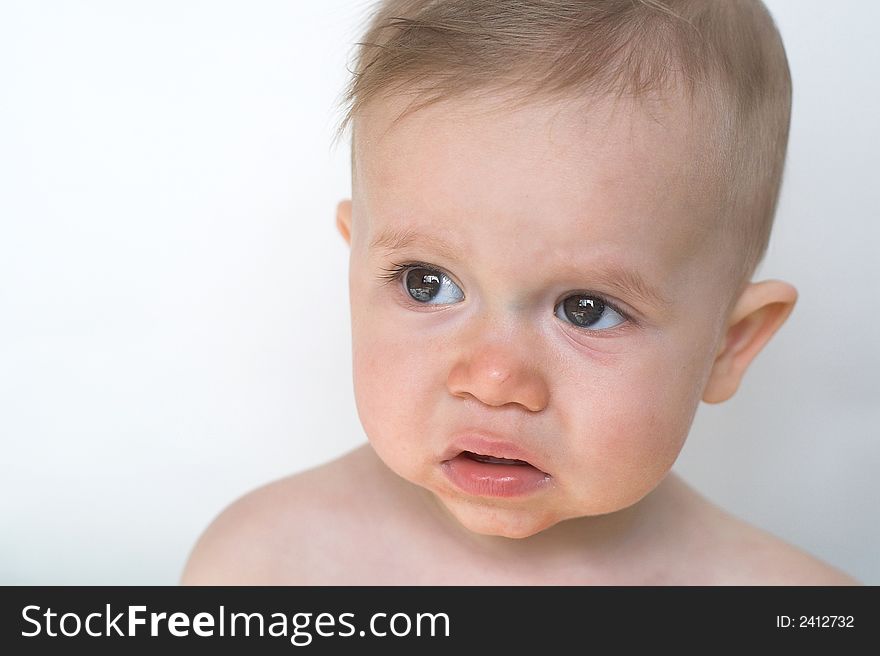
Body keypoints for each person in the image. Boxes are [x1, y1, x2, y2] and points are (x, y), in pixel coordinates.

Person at [181, 0, 859, 585]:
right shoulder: (267, 568)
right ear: (354, 269)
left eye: (585, 309)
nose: (495, 379)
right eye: (429, 284)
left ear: (729, 344)